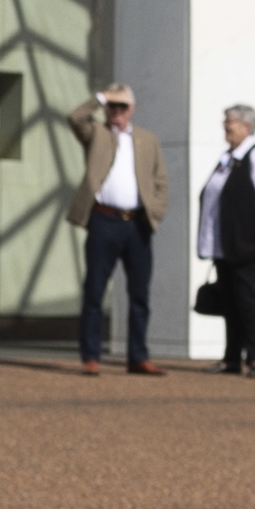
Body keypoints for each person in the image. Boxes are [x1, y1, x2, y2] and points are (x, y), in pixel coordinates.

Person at [69, 83, 166, 378]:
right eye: (112, 106)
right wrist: (101, 97)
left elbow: (160, 180)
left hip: (137, 224)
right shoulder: (96, 133)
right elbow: (74, 117)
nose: (117, 111)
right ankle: (91, 356)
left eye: (122, 106)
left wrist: (156, 210)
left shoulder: (147, 140)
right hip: (104, 220)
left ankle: (138, 356)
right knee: (95, 290)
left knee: (139, 294)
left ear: (131, 109)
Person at [193, 103, 255, 377]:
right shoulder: (227, 159)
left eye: (231, 121)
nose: (226, 126)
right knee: (230, 302)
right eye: (226, 121)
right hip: (224, 247)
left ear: (247, 127)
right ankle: (231, 358)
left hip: (248, 245)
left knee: (249, 301)